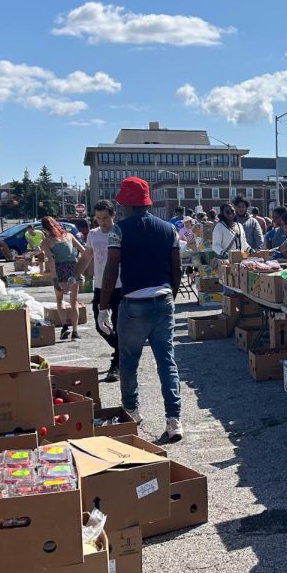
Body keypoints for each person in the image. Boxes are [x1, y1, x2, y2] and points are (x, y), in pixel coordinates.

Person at [98, 177, 183, 442]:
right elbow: (177, 269)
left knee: (129, 362)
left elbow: (112, 270)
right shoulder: (169, 229)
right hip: (163, 300)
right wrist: (173, 296)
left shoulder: (118, 231)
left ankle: (132, 412)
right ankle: (174, 419)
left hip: (134, 302)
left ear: (124, 204)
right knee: (166, 361)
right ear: (147, 202)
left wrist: (103, 307)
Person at [84, 200, 121, 381]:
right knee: (101, 326)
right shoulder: (93, 234)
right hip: (100, 287)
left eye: (105, 218)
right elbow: (86, 257)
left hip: (120, 286)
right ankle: (122, 350)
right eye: (98, 218)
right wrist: (75, 275)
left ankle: (117, 363)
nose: (102, 222)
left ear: (112, 215)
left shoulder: (120, 232)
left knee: (118, 324)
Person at [39, 216, 87, 340]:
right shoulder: (69, 235)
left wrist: (54, 279)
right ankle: (75, 332)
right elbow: (83, 250)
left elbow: (51, 260)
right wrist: (81, 267)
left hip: (60, 269)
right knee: (74, 301)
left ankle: (65, 326)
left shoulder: (46, 241)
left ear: (45, 229)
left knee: (60, 300)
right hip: (73, 268)